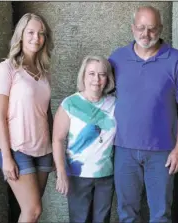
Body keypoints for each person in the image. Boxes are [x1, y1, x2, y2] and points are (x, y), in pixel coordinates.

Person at [108, 6, 178, 223]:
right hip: (124, 148)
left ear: (161, 29)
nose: (146, 34)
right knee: (126, 212)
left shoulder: (177, 60)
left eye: (152, 29)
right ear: (132, 28)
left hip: (163, 151)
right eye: (141, 28)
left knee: (161, 214)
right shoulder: (117, 58)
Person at [0, 13, 54, 223]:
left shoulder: (44, 73)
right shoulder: (7, 69)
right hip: (18, 149)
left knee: (33, 213)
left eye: (41, 34)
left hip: (44, 150)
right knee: (33, 210)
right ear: (20, 35)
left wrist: (54, 149)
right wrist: (7, 156)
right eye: (31, 32)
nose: (36, 37)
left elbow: (46, 113)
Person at [52, 55, 116, 223]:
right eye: (92, 73)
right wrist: (61, 173)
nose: (97, 79)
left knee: (102, 220)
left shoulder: (114, 104)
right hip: (77, 175)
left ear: (108, 78)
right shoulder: (70, 104)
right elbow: (57, 139)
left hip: (106, 175)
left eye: (102, 74)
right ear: (83, 76)